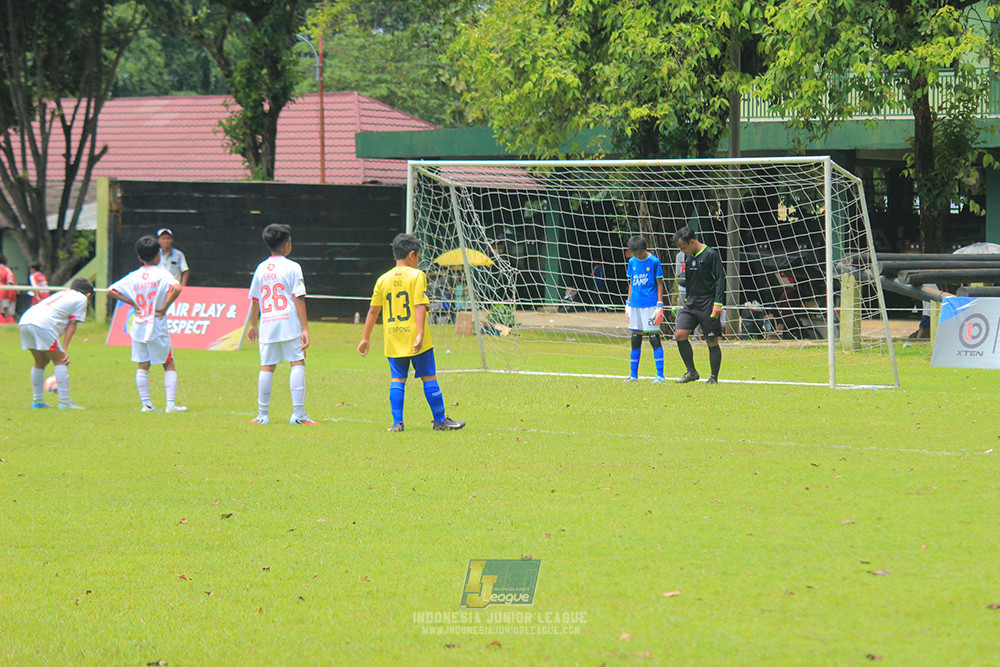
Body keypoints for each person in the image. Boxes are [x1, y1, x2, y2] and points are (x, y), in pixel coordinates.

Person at [357, 233, 465, 432]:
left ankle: (397, 423)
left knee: (397, 379)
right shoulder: (417, 276)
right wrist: (420, 335)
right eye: (418, 256)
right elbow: (419, 306)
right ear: (412, 254)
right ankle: (440, 420)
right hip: (416, 337)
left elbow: (373, 310)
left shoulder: (383, 279)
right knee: (429, 377)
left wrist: (365, 338)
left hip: (393, 337)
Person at [246, 223, 318, 425]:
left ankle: (262, 415)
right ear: (287, 244)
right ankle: (298, 415)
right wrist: (305, 328)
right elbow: (299, 298)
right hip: (288, 323)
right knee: (297, 362)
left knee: (267, 367)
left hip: (267, 323)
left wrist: (253, 325)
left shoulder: (261, 268)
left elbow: (255, 299)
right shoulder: (293, 267)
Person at [108, 235, 187, 413]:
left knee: (143, 363)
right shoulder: (162, 274)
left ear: (139, 257)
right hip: (156, 324)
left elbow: (110, 290)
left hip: (139, 324)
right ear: (158, 254)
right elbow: (177, 288)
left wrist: (132, 303)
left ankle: (147, 404)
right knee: (168, 363)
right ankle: (171, 404)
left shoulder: (133, 276)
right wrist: (165, 306)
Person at [18, 278, 94, 409]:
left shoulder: (63, 293)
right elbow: (73, 323)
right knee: (61, 360)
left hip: (25, 320)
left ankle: (38, 401)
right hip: (42, 324)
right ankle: (64, 402)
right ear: (88, 294)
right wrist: (64, 349)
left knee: (40, 362)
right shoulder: (82, 298)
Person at [672, 226, 725, 384]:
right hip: (691, 303)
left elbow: (720, 280)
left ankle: (713, 377)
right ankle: (691, 372)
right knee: (679, 335)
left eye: (684, 247)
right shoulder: (687, 257)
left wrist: (718, 303)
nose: (683, 251)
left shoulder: (710, 254)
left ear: (693, 241)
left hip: (708, 302)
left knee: (711, 340)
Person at [624, 235, 665, 382]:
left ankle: (660, 375)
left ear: (645, 248)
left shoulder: (654, 261)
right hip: (635, 304)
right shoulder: (632, 262)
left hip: (650, 305)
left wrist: (660, 305)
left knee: (654, 338)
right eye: (634, 253)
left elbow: (659, 283)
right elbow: (631, 284)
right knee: (635, 339)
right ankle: (633, 375)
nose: (636, 255)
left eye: (639, 253)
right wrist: (628, 303)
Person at [0, 254, 16, 324]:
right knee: (5, 310)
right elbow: (10, 281)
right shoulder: (7, 269)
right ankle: (8, 322)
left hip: (2, 291)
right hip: (4, 292)